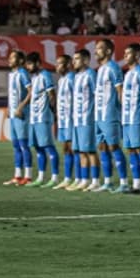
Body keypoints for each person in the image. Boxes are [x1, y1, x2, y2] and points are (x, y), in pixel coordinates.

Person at [94, 38, 128, 193]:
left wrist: (123, 112)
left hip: (110, 114)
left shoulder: (114, 68)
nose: (96, 51)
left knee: (114, 147)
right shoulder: (100, 69)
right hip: (99, 115)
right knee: (102, 148)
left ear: (108, 51)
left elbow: (120, 91)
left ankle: (124, 182)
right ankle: (107, 182)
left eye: (100, 48)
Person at [120, 43, 140, 194]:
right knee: (131, 150)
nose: (125, 56)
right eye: (125, 53)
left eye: (128, 53)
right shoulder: (127, 74)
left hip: (137, 116)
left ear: (137, 55)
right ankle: (137, 184)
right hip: (126, 118)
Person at [25, 52, 60, 187]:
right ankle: (40, 177)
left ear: (38, 63)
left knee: (49, 147)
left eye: (30, 64)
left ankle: (55, 177)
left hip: (43, 117)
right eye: (27, 64)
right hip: (33, 118)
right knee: (38, 148)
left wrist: (53, 112)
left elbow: (52, 95)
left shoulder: (45, 75)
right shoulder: (34, 77)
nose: (28, 67)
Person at [69, 48, 100, 192]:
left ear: (86, 60)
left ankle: (95, 181)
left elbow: (97, 95)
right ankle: (83, 180)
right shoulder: (76, 77)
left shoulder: (91, 74)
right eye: (73, 59)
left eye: (77, 59)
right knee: (80, 151)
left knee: (90, 151)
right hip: (77, 120)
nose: (73, 61)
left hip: (88, 119)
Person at [4, 49, 32, 186]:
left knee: (23, 145)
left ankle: (28, 176)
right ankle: (17, 175)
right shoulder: (12, 75)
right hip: (13, 115)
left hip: (22, 115)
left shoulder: (23, 74)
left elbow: (31, 92)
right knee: (16, 146)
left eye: (12, 57)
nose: (9, 60)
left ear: (20, 61)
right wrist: (9, 108)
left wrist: (20, 107)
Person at [53, 54, 76, 190]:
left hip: (71, 119)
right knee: (65, 149)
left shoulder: (72, 78)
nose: (57, 66)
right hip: (63, 119)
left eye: (60, 63)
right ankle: (67, 178)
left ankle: (79, 178)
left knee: (74, 149)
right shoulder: (61, 80)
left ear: (68, 65)